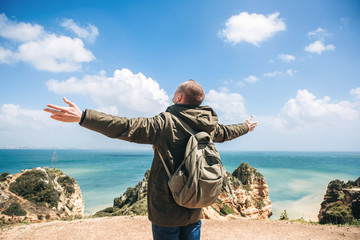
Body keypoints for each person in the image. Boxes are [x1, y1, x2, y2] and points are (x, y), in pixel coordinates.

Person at [44, 80, 258, 240]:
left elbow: (126, 127)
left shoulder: (165, 123)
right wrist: (246, 127)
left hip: (166, 208)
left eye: (175, 92)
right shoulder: (209, 125)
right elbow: (226, 131)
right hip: (195, 205)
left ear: (179, 98)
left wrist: (83, 116)